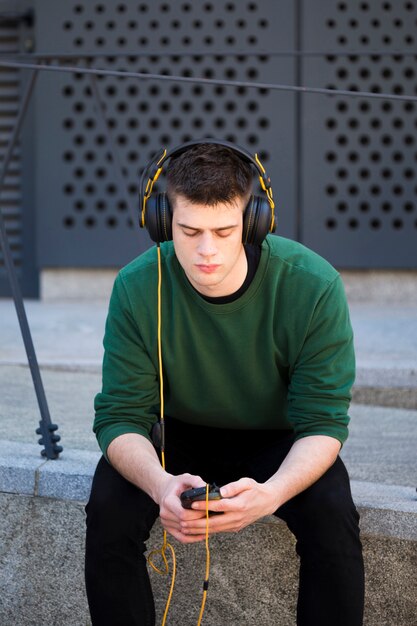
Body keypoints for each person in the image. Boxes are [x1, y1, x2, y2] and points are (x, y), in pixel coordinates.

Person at [85, 140, 364, 626]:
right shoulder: (136, 286)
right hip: (177, 436)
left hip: (276, 438)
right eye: (188, 231)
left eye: (224, 230)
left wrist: (273, 493)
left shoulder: (312, 285)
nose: (206, 250)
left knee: (332, 515)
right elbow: (120, 416)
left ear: (254, 223)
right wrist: (159, 484)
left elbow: (323, 422)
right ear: (161, 221)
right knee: (109, 509)